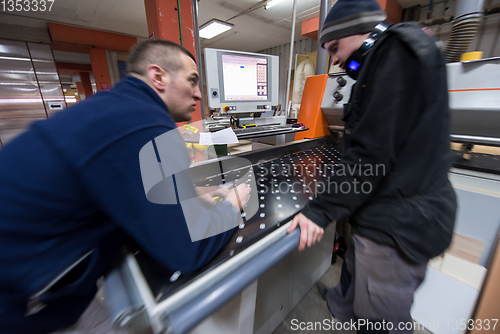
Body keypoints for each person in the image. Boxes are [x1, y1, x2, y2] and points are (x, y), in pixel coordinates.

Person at [0, 39, 250, 334]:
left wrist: (195, 193)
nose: (198, 93)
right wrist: (233, 204)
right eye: (192, 80)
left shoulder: (117, 108)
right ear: (158, 77)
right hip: (19, 294)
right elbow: (188, 249)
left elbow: (120, 178)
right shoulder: (146, 123)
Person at [286, 0, 457, 332]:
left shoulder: (397, 55)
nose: (334, 59)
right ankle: (341, 305)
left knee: (380, 311)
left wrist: (318, 211)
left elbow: (370, 156)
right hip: (378, 210)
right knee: (354, 265)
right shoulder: (379, 63)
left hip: (398, 221)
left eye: (335, 47)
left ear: (362, 31)